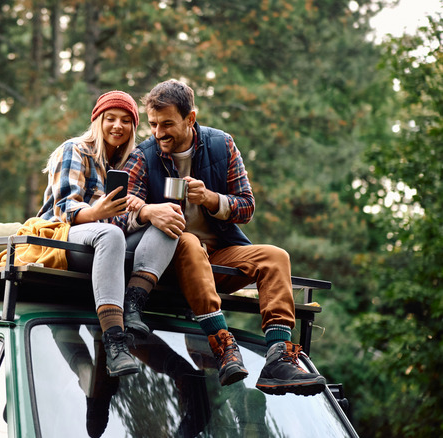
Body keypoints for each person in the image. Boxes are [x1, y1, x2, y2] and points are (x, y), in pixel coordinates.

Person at [113, 79, 326, 396]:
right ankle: (222, 343)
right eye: (153, 124)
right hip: (170, 266)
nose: (158, 133)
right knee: (187, 240)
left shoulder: (222, 145)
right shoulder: (143, 157)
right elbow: (116, 216)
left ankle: (278, 359)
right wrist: (148, 213)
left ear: (190, 118)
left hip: (218, 260)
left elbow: (247, 206)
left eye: (167, 124)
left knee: (275, 257)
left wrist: (213, 200)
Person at [38, 90, 178, 378]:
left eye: (126, 120)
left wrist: (149, 212)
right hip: (64, 235)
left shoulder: (130, 162)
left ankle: (133, 303)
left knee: (168, 223)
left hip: (108, 240)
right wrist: (96, 213)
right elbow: (63, 208)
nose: (118, 126)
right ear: (97, 121)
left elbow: (126, 219)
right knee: (109, 234)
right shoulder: (75, 149)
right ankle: (116, 342)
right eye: (110, 118)